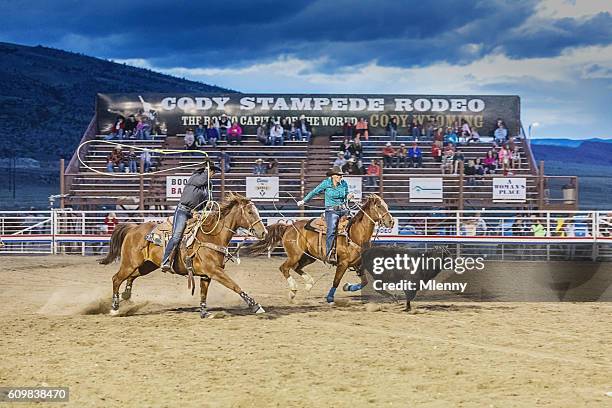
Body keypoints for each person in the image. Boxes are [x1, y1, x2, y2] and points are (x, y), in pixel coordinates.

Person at [161, 161, 222, 272]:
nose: (214, 175)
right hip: (183, 211)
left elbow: (209, 200)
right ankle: (165, 261)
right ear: (208, 171)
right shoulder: (196, 177)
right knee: (176, 236)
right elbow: (201, 181)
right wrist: (206, 171)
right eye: (213, 172)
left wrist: (207, 207)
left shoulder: (209, 185)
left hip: (196, 213)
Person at [297, 166, 354, 262]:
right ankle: (329, 253)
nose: (341, 177)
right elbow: (314, 192)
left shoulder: (344, 183)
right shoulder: (326, 183)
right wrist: (304, 200)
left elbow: (346, 195)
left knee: (355, 223)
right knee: (331, 229)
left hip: (343, 209)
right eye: (339, 175)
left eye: (341, 175)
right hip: (331, 211)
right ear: (333, 176)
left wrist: (349, 196)